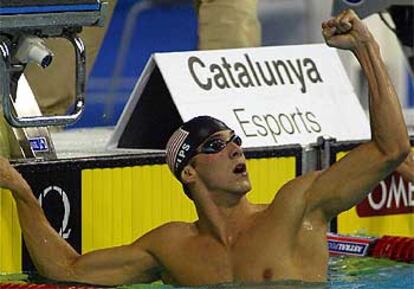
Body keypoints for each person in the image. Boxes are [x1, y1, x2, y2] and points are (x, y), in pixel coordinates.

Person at [0, 9, 410, 287]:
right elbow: (66, 268)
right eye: (217, 145)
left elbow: (390, 149)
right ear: (189, 172)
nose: (236, 151)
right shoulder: (172, 247)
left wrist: (366, 49)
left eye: (236, 141)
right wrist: (19, 188)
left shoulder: (296, 208)